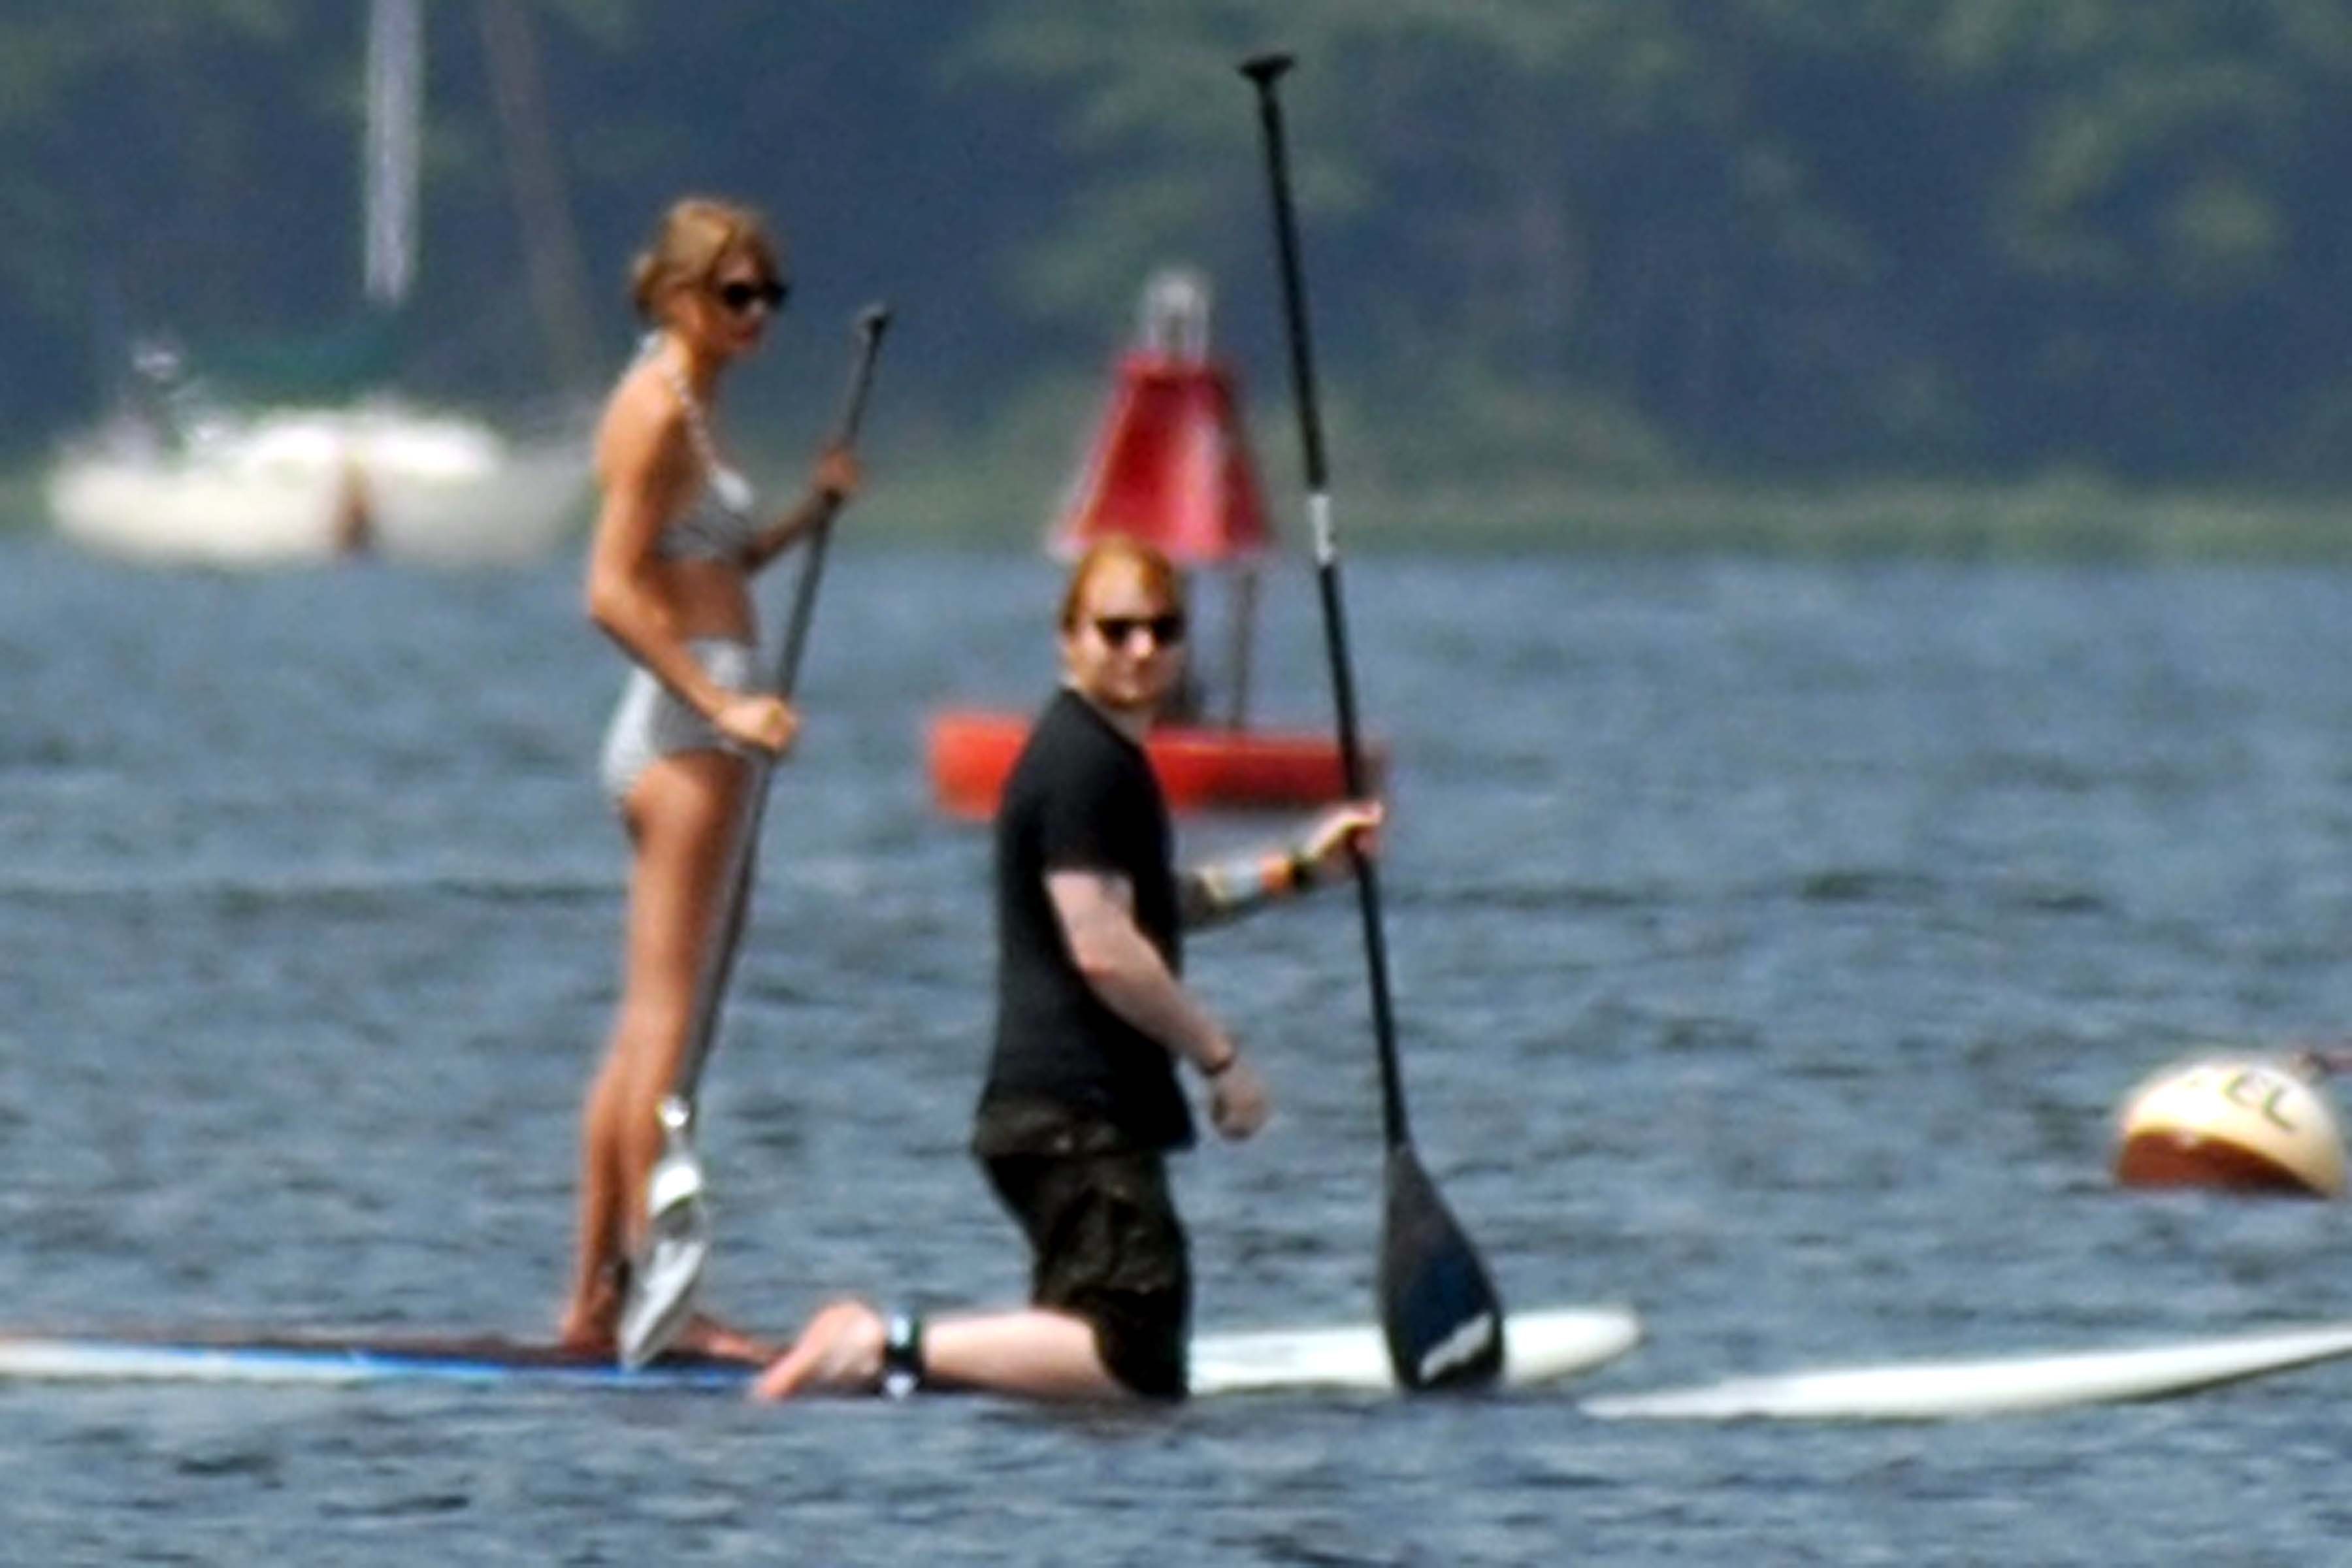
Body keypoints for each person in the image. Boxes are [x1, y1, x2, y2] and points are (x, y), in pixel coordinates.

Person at [754, 535, 1379, 1401]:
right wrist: (1220, 1059)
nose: (1142, 651)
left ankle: (910, 1366)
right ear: (1068, 638)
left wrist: (1298, 869)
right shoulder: (1085, 765)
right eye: (1116, 630)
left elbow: (1157, 903)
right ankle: (876, 1344)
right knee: (1134, 1355)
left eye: (1163, 631)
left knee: (1086, 1372)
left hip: (1064, 1118)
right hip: (1073, 1118)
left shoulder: (1103, 761)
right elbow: (1103, 945)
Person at [560, 197, 861, 1356]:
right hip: (686, 738)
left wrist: (807, 518)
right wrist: (721, 699)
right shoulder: (654, 411)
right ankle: (662, 1300)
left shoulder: (696, 403)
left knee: (645, 1031)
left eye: (770, 295)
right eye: (738, 294)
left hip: (702, 733)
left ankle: (597, 1300)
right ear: (679, 294)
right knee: (668, 1026)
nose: (758, 316)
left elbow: (713, 562)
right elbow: (611, 589)